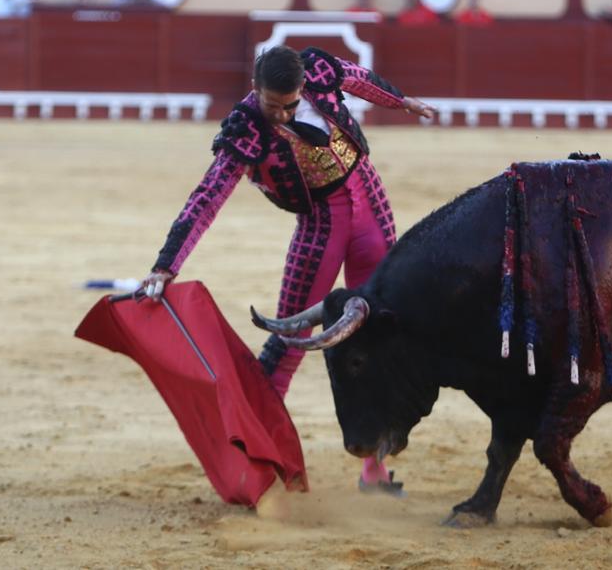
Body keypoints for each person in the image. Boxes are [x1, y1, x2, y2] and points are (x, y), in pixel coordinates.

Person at [141, 46, 436, 492]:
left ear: (301, 89)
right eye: (271, 105)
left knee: (379, 334)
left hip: (370, 201)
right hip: (321, 223)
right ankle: (258, 460)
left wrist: (401, 101)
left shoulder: (316, 70)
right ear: (255, 88)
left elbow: (357, 77)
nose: (280, 115)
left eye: (290, 104)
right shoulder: (245, 129)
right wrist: (167, 265)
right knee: (288, 339)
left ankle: (374, 467)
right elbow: (207, 196)